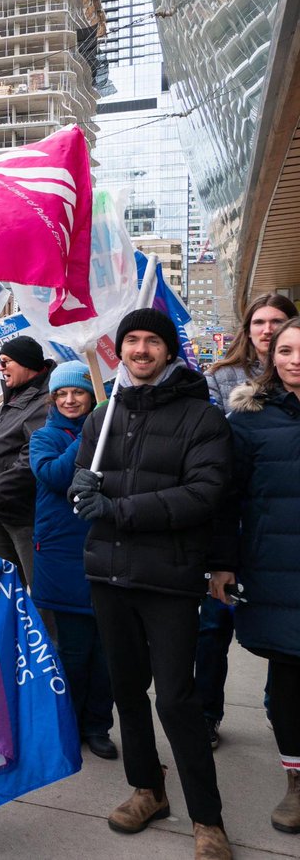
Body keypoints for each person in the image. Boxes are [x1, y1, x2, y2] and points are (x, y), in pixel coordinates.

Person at [71, 308, 233, 860]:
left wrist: (117, 509)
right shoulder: (102, 415)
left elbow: (203, 495)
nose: (140, 350)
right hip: (108, 575)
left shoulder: (201, 418)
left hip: (167, 579)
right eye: (132, 341)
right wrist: (84, 493)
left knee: (177, 699)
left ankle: (207, 818)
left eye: (151, 341)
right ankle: (148, 789)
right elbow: (82, 481)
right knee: (127, 693)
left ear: (169, 350)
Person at [196, 293, 296, 749]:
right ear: (248, 328)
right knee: (215, 626)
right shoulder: (222, 377)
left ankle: (284, 719)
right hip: (241, 520)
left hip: (279, 530)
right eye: (260, 321)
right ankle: (207, 713)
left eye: (279, 321)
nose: (269, 329)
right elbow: (221, 451)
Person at [223, 316, 300, 835]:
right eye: (286, 350)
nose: (294, 359)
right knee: (292, 684)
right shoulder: (250, 420)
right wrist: (221, 562)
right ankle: (297, 784)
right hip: (279, 571)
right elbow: (229, 499)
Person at [28, 361, 116, 761]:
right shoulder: (44, 437)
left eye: (77, 392)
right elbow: (56, 476)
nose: (68, 400)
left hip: (107, 550)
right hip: (63, 557)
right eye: (61, 394)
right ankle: (67, 723)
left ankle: (98, 725)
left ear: (91, 394)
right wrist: (91, 434)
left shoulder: (114, 430)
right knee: (75, 650)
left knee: (107, 653)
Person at [0, 335, 55, 590]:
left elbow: (31, 457)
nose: (0, 368)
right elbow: (0, 439)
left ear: (25, 363)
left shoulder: (44, 401)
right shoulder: (16, 393)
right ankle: (13, 631)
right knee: (7, 589)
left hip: (22, 515)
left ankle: (46, 631)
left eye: (5, 362)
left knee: (38, 587)